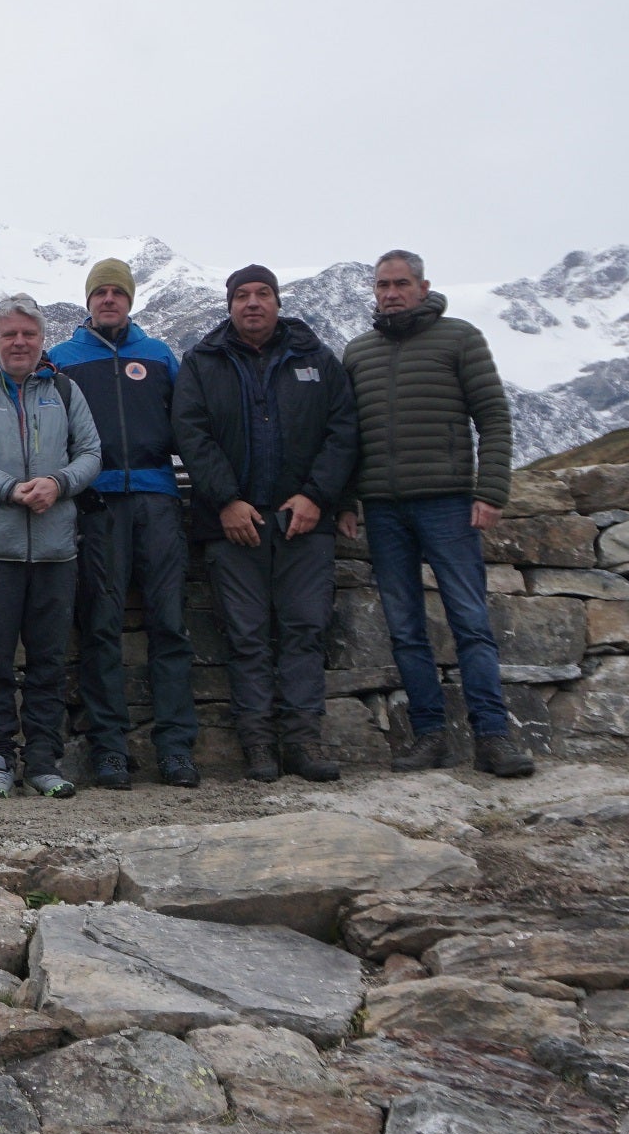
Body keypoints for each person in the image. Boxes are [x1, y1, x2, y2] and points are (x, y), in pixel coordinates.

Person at [338, 249, 535, 777]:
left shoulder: (460, 338)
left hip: (449, 502)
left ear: (423, 288)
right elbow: (346, 436)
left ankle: (493, 737)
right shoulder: (358, 353)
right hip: (382, 507)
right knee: (404, 628)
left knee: (470, 621)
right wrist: (347, 500)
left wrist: (491, 491)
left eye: (401, 283)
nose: (391, 293)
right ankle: (429, 736)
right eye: (382, 285)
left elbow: (493, 416)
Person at [172, 266, 361, 783]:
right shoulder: (202, 362)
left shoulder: (318, 360)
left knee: (305, 630)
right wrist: (227, 500)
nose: (252, 303)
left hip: (303, 522)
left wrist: (316, 496)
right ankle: (257, 745)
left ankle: (303, 741)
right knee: (246, 635)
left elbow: (343, 431)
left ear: (278, 301)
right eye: (241, 296)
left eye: (262, 294)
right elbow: (191, 435)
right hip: (232, 526)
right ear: (229, 305)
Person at [0, 295, 103, 799]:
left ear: (41, 340)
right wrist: (8, 488)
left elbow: (92, 452)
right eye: (9, 334)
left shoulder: (66, 391)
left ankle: (45, 762)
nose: (19, 342)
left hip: (56, 550)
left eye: (28, 334)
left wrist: (58, 483)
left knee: (50, 663)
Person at [46, 257, 201, 789]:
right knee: (101, 628)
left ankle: (177, 748)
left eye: (117, 291)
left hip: (158, 499)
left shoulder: (158, 356)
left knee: (170, 625)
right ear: (87, 301)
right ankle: (109, 749)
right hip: (96, 502)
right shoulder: (62, 360)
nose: (108, 299)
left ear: (130, 299)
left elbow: (188, 426)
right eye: (100, 292)